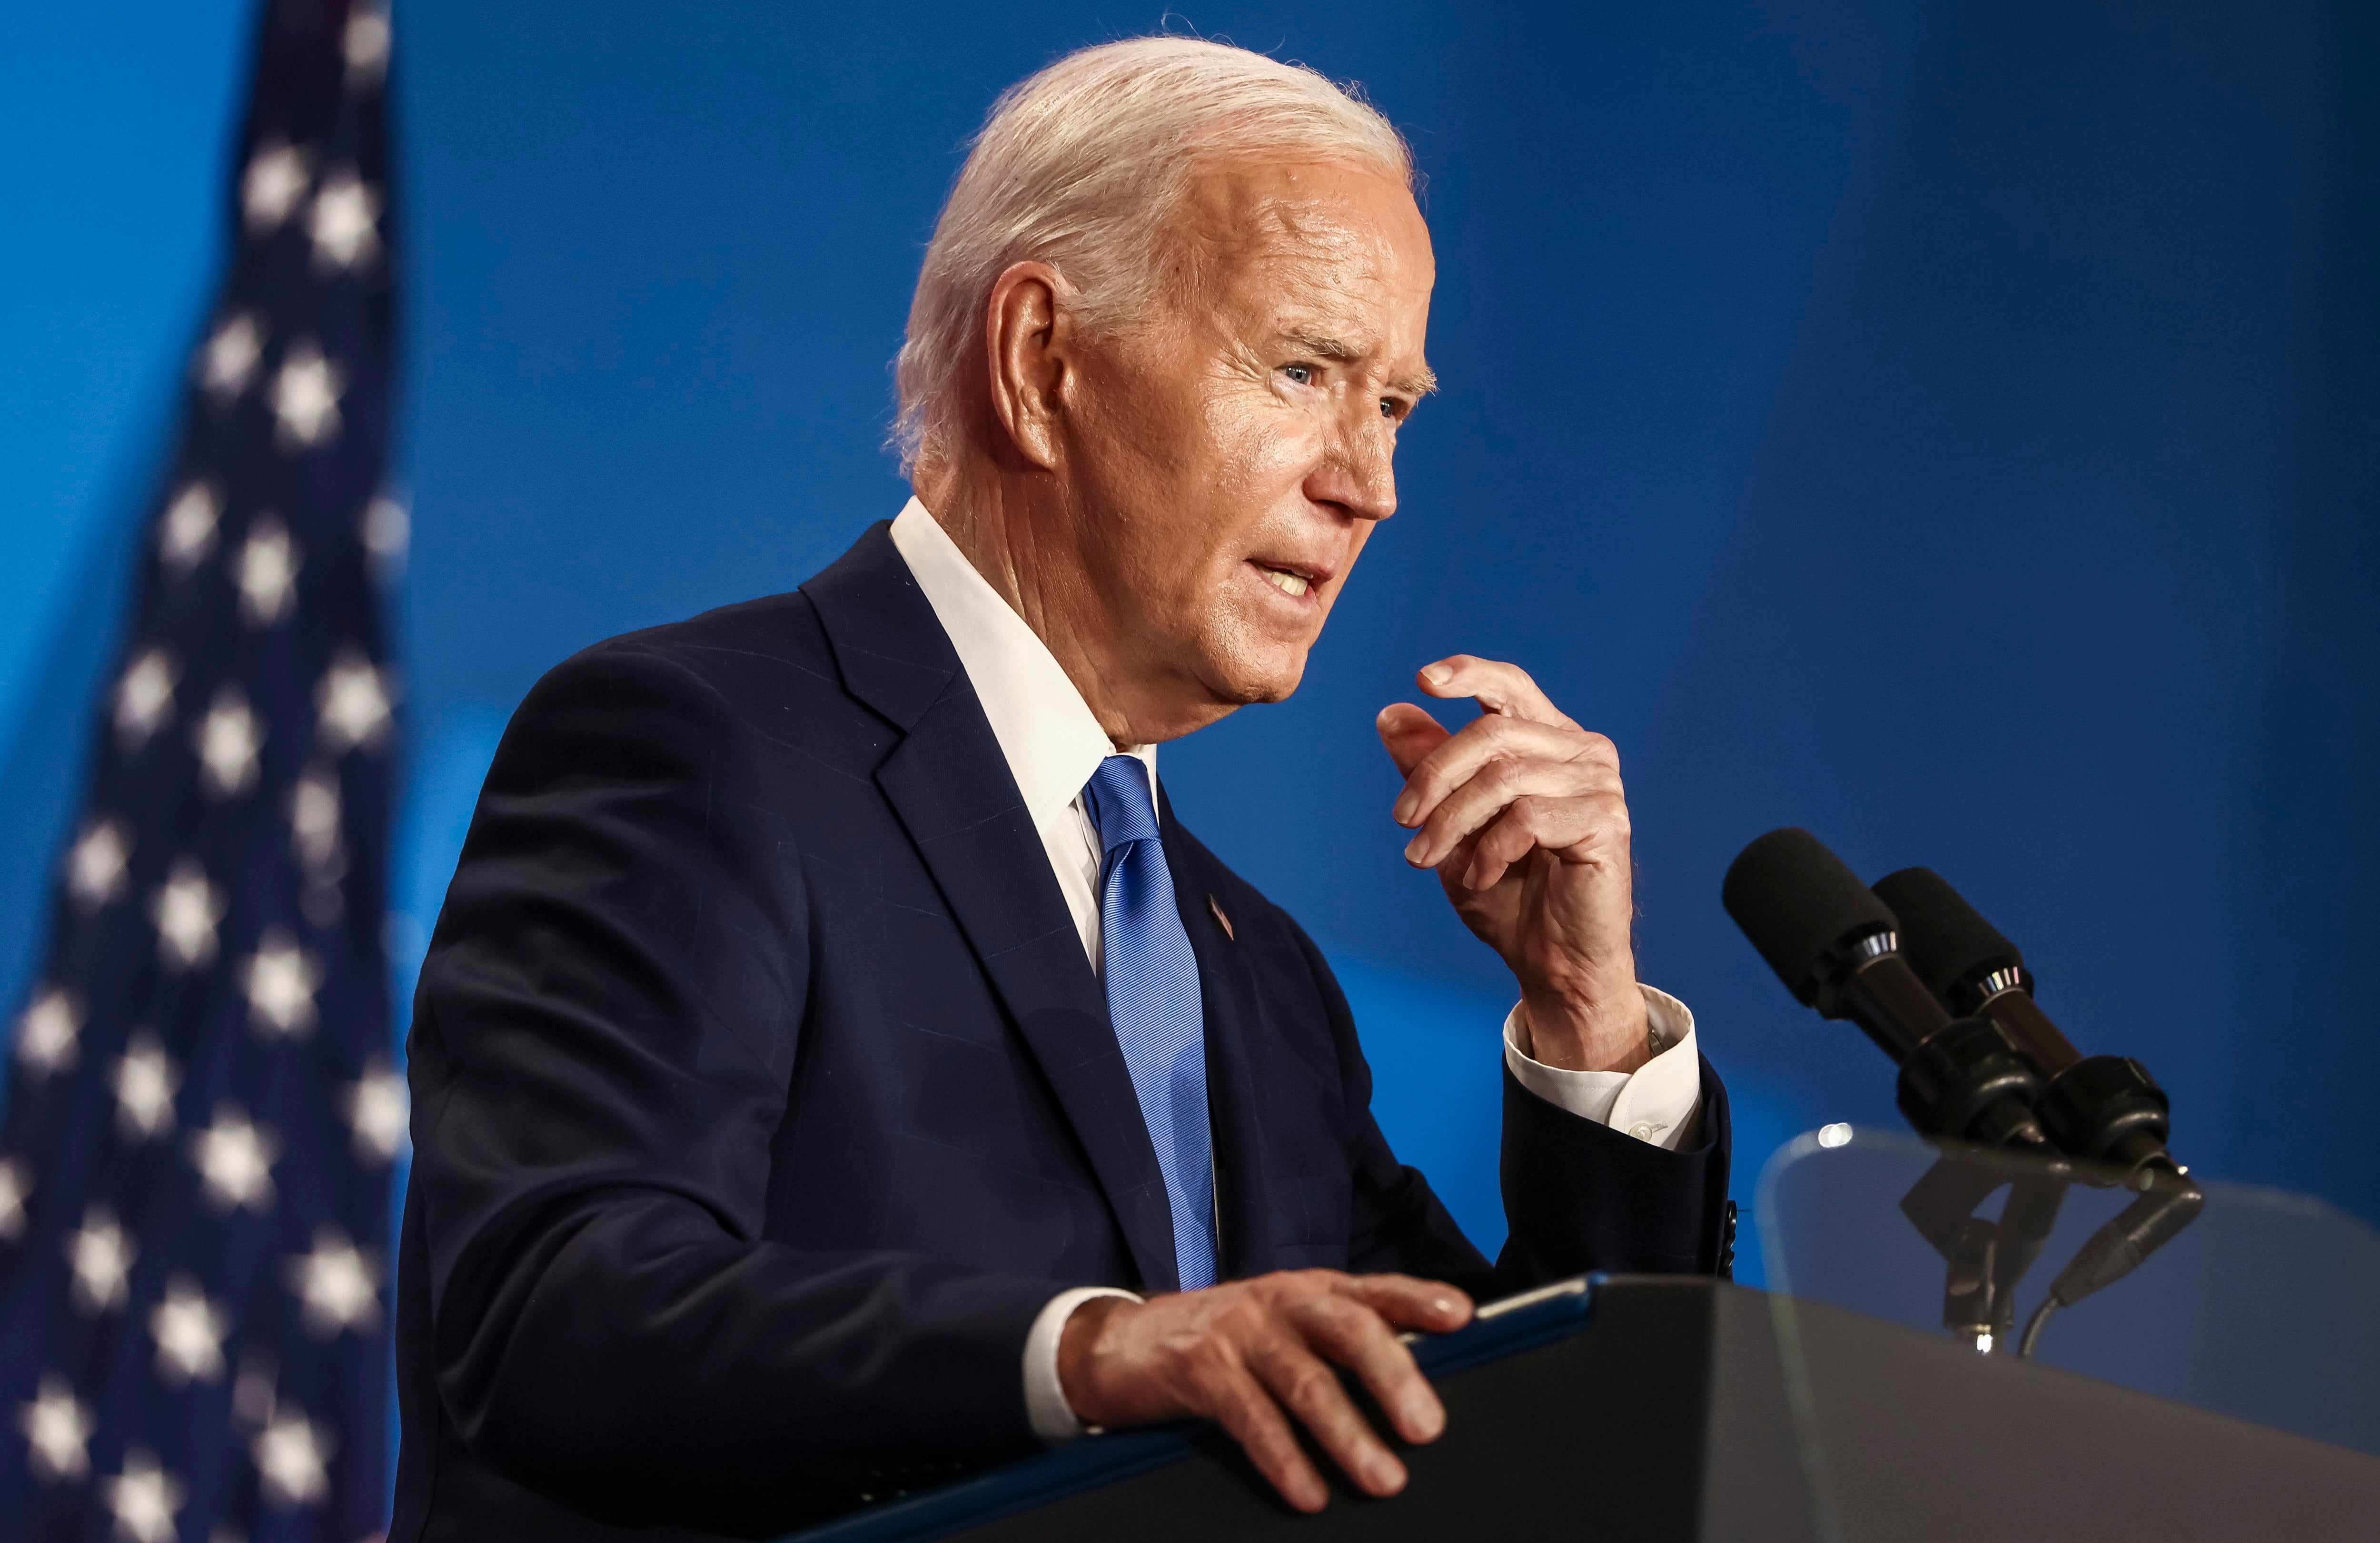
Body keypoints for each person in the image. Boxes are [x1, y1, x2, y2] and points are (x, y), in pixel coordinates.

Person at [390, 36, 1732, 1542]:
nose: (1369, 482)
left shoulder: (1261, 978)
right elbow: (555, 1312)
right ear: (1041, 361)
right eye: (1302, 370)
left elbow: (1544, 1456)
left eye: (1396, 406)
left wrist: (1588, 1021)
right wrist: (1090, 1357)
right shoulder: (698, 747)